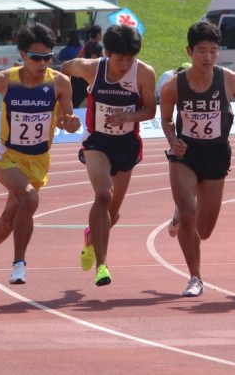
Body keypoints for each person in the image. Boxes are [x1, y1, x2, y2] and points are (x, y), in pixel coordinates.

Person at [0, 23, 81, 286]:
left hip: (39, 160)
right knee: (29, 201)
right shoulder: (7, 79)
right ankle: (19, 264)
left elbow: (66, 118)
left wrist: (70, 123)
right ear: (22, 54)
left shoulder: (60, 83)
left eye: (47, 57)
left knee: (10, 218)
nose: (42, 63)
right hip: (8, 157)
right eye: (36, 57)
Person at [61, 24, 157, 286]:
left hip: (126, 144)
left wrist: (129, 116)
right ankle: (102, 266)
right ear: (107, 53)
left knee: (112, 214)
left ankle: (92, 238)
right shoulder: (92, 68)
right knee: (103, 195)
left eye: (130, 58)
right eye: (119, 58)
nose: (125, 64)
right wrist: (64, 108)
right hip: (97, 142)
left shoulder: (144, 74)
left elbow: (151, 110)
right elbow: (63, 70)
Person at [160, 22, 235, 297]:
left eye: (213, 51)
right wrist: (173, 140)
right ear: (190, 51)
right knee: (189, 215)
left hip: (216, 155)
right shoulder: (174, 86)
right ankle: (195, 277)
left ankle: (181, 215)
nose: (208, 57)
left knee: (205, 230)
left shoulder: (231, 80)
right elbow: (164, 119)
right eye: (202, 51)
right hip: (185, 155)